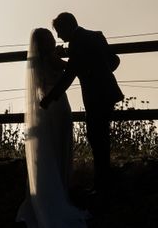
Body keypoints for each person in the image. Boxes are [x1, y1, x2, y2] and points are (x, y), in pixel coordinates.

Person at [41, 12, 123, 196]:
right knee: (100, 138)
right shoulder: (95, 35)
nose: (59, 36)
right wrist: (99, 69)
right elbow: (114, 61)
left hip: (96, 95)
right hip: (108, 92)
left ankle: (102, 185)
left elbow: (68, 76)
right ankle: (103, 183)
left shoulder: (77, 44)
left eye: (59, 31)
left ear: (68, 26)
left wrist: (49, 98)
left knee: (97, 139)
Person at [17, 28, 89, 228]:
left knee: (48, 150)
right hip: (58, 105)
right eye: (50, 37)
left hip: (45, 108)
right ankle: (61, 192)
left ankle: (46, 192)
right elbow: (72, 68)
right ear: (46, 42)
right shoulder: (51, 58)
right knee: (60, 147)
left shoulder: (35, 63)